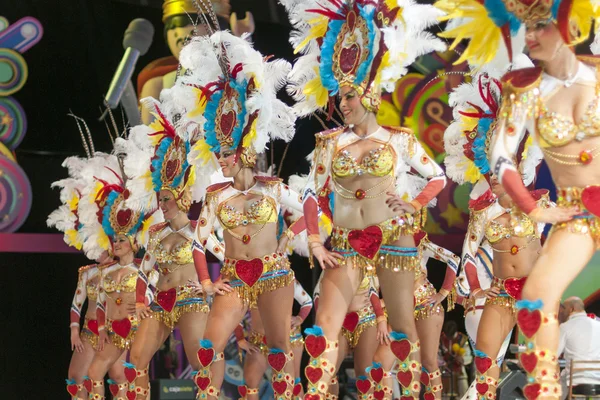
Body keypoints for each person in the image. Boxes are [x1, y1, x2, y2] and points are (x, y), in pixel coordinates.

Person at [279, 0, 447, 398]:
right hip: (345, 244)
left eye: (350, 97)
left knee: (402, 332)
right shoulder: (328, 144)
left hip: (392, 240)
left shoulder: (399, 140)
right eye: (339, 99)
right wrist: (316, 242)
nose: (343, 104)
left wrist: (415, 203)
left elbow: (437, 176)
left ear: (370, 95)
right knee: (323, 330)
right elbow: (313, 195)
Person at [437, 0, 600, 397]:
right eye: (524, 28)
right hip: (580, 213)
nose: (530, 37)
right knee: (536, 297)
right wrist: (530, 204)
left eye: (540, 26)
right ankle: (544, 391)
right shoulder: (524, 92)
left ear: (567, 26)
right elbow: (501, 156)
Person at [181, 28, 302, 399]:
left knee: (279, 354)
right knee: (207, 349)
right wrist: (205, 282)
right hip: (234, 277)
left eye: (226, 154)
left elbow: (311, 210)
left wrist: (288, 239)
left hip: (274, 273)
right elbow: (198, 241)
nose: (221, 160)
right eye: (218, 153)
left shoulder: (274, 187)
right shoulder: (216, 196)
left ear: (245, 151)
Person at [442, 64, 549, 399]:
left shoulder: (539, 206)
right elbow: (469, 253)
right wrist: (475, 287)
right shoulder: (483, 212)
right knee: (486, 364)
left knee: (537, 370)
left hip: (534, 295)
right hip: (501, 294)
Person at [74, 152, 158, 400]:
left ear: (133, 243)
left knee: (135, 375)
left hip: (137, 328)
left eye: (122, 240)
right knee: (94, 371)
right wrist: (101, 330)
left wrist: (146, 304)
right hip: (112, 331)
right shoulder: (105, 272)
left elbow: (156, 293)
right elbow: (99, 302)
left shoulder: (143, 269)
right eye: (116, 240)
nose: (117, 244)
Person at [48, 154, 127, 400]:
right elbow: (77, 303)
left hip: (116, 331)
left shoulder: (126, 271)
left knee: (119, 379)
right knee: (76, 379)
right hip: (88, 332)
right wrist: (74, 331)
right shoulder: (87, 273)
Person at [235, 279, 313, 400]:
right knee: (250, 382)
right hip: (258, 341)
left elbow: (307, 301)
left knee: (293, 383)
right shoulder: (248, 279)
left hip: (288, 339)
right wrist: (240, 339)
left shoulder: (286, 276)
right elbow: (235, 314)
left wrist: (299, 318)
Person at [413, 232, 461, 399]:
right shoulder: (381, 243)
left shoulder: (419, 243)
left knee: (428, 361)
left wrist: (442, 293)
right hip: (397, 309)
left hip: (425, 306)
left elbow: (454, 259)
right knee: (406, 362)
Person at [558, 297, 600, 398]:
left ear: (571, 309)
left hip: (574, 383)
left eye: (564, 308)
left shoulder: (566, 327)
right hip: (598, 381)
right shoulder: (598, 325)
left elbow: (553, 355)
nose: (562, 311)